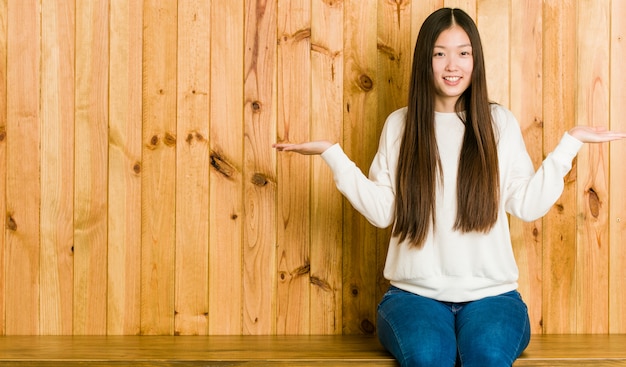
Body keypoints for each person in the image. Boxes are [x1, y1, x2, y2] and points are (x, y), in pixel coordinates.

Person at [273, 7, 626, 367]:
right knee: (429, 357)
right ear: (425, 61)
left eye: (463, 53)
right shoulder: (401, 125)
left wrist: (570, 143)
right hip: (413, 298)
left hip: (493, 298)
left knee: (487, 356)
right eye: (440, 54)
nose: (452, 65)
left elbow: (527, 204)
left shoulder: (497, 123)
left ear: (476, 60)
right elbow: (382, 211)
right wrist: (333, 155)